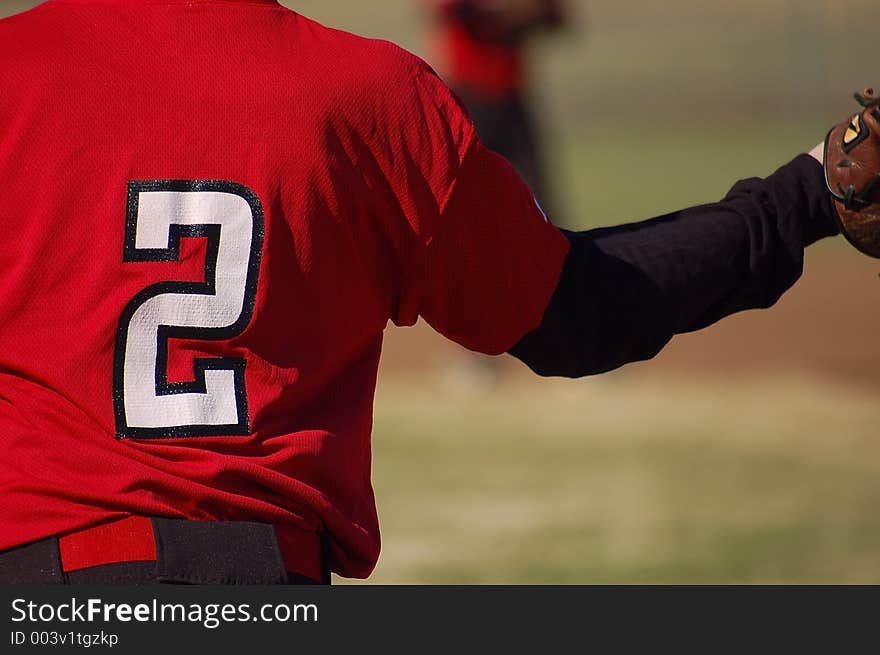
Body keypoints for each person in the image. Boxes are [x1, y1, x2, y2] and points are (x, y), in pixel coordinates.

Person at [0, 0, 863, 584]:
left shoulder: (16, 70)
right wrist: (804, 196)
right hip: (259, 576)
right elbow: (584, 314)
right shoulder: (364, 97)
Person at [427, 0, 567, 220]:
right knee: (458, 200)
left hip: (512, 98)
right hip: (469, 100)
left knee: (540, 202)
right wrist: (512, 12)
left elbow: (555, 18)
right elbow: (452, 12)